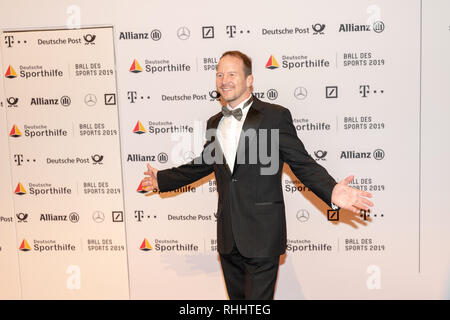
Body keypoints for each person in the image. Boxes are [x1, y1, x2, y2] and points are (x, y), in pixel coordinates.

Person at [141, 50, 373, 300]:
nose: (224, 80)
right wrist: (163, 180)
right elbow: (204, 163)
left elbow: (301, 162)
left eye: (232, 73)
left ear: (249, 80)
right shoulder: (213, 122)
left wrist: (331, 189)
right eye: (219, 74)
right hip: (228, 235)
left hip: (263, 235)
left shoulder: (275, 116)